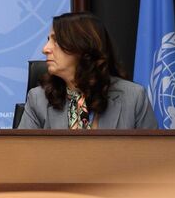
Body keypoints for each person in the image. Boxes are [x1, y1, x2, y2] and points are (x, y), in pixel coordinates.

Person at [18, 11, 159, 130]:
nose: (45, 49)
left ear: (82, 47)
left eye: (56, 41)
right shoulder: (37, 99)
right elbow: (21, 157)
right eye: (49, 40)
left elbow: (152, 157)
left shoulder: (134, 97)